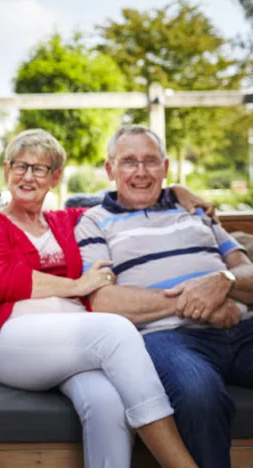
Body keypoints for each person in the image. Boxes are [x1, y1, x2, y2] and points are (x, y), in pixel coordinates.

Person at [0, 129, 200, 468]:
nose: (28, 176)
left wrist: (177, 191)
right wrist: (76, 286)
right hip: (11, 340)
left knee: (108, 403)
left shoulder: (69, 220)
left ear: (55, 178)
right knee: (116, 330)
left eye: (40, 169)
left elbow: (125, 195)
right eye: (20, 166)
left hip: (72, 346)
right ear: (6, 171)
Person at [75, 124, 253, 468]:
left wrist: (224, 281)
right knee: (198, 393)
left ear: (166, 168)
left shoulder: (196, 212)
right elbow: (103, 300)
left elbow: (246, 269)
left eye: (150, 161)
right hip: (168, 337)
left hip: (242, 326)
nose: (141, 172)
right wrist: (200, 303)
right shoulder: (93, 222)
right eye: (129, 162)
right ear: (110, 169)